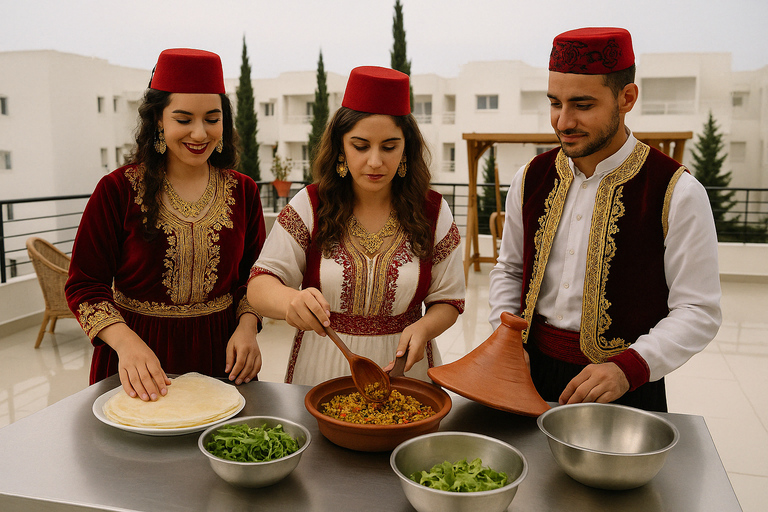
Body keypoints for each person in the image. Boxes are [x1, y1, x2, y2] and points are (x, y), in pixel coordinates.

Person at [488, 28, 722, 412]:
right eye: (554, 103)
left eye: (582, 105)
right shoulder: (530, 177)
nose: (563, 121)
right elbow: (510, 270)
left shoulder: (676, 191)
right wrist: (505, 343)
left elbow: (698, 311)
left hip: (625, 389)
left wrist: (628, 368)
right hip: (527, 375)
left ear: (626, 98)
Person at [66, 48, 266, 401]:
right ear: (159, 118)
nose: (200, 133)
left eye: (212, 118)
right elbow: (84, 285)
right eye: (184, 118)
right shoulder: (117, 190)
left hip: (221, 356)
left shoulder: (245, 191)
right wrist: (125, 344)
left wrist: (248, 328)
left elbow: (255, 277)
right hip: (136, 361)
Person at [247, 66, 465, 386]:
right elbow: (259, 286)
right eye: (361, 146)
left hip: (405, 370)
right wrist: (290, 302)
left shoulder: (433, 211)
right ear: (341, 147)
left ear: (406, 149)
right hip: (320, 369)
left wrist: (424, 328)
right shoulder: (310, 205)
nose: (375, 161)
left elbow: (449, 299)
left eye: (389, 147)